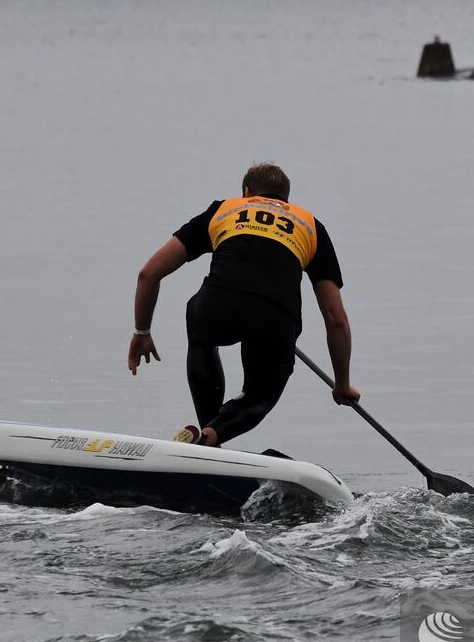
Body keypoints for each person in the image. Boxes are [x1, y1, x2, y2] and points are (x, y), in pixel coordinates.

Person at [128, 163, 358, 447]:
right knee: (259, 396)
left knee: (202, 338)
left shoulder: (225, 209)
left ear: (247, 193)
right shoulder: (310, 225)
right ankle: (212, 436)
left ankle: (206, 434)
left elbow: (148, 274)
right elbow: (336, 318)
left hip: (217, 304)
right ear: (286, 198)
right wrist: (341, 383)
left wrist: (142, 332)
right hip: (275, 315)